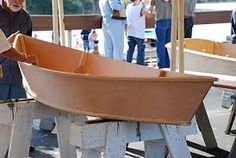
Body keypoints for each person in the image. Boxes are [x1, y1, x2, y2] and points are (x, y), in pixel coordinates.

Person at [0, 0, 36, 154]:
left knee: (20, 114)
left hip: (17, 75)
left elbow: (29, 43)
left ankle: (20, 144)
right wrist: (25, 58)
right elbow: (4, 48)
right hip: (1, 75)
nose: (18, 2)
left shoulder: (26, 17)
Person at [126, 0, 152, 65]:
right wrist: (150, 7)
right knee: (140, 51)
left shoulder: (128, 6)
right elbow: (149, 16)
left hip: (130, 32)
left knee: (130, 50)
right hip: (139, 34)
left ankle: (127, 64)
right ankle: (140, 66)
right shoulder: (140, 8)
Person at [150, 0, 171, 68]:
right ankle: (168, 64)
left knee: (160, 44)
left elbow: (151, 8)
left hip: (160, 20)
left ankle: (162, 65)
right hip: (170, 20)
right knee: (168, 44)